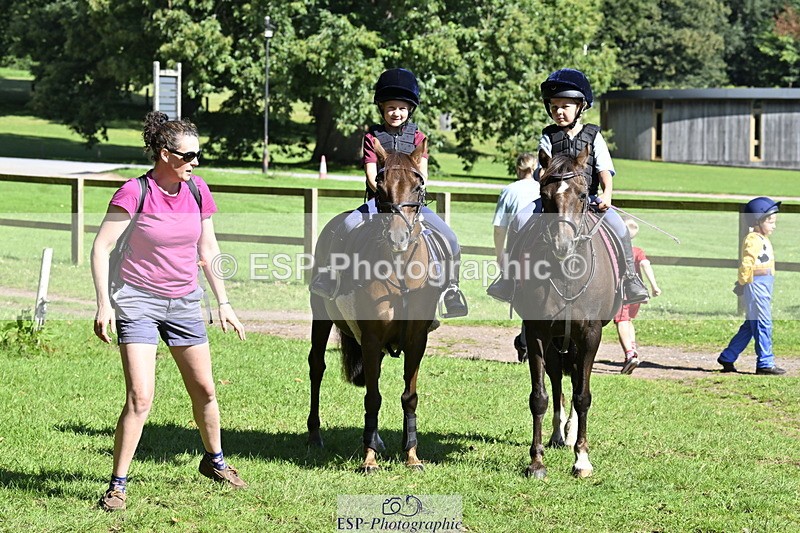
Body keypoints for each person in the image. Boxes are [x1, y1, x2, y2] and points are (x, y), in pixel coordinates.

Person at [91, 111, 247, 511]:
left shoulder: (197, 191)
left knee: (206, 391)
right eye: (189, 155)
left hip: (184, 301)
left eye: (199, 155)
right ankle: (117, 485)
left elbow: (208, 249)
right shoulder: (134, 192)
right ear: (165, 154)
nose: (195, 162)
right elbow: (101, 247)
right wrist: (104, 304)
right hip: (138, 301)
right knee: (141, 398)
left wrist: (224, 302)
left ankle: (215, 462)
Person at [310, 67, 468, 318]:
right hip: (379, 203)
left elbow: (423, 175)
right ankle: (330, 277)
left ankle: (451, 289)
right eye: (391, 108)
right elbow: (372, 177)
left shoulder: (418, 137)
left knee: (449, 237)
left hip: (411, 205)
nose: (396, 113)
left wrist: (407, 194)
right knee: (345, 226)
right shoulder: (373, 136)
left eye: (402, 108)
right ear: (382, 109)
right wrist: (388, 196)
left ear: (410, 109)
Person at [487, 68, 650, 305]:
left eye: (565, 106)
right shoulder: (548, 136)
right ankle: (509, 278)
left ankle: (630, 280)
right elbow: (542, 166)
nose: (559, 112)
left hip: (588, 199)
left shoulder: (594, 135)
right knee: (520, 220)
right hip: (553, 201)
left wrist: (607, 194)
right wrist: (543, 173)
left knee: (620, 228)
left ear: (580, 107)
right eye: (554, 107)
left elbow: (604, 169)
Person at [717, 197, 786, 375]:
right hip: (756, 285)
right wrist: (742, 283)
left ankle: (728, 356)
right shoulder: (753, 239)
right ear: (757, 220)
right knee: (763, 323)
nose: (774, 225)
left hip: (763, 285)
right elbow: (746, 263)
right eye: (770, 221)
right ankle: (765, 362)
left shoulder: (761, 237)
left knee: (750, 325)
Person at [491, 153, 540, 361]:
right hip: (544, 245)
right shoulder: (543, 188)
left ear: (518, 169)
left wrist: (500, 254)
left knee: (520, 291)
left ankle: (525, 341)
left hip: (519, 246)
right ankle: (526, 340)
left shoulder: (509, 191)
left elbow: (500, 228)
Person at [614, 219, 662, 374]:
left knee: (621, 321)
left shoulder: (616, 251)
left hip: (623, 293)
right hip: (637, 293)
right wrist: (654, 286)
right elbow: (645, 264)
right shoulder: (638, 251)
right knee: (629, 321)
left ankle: (629, 354)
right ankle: (633, 349)